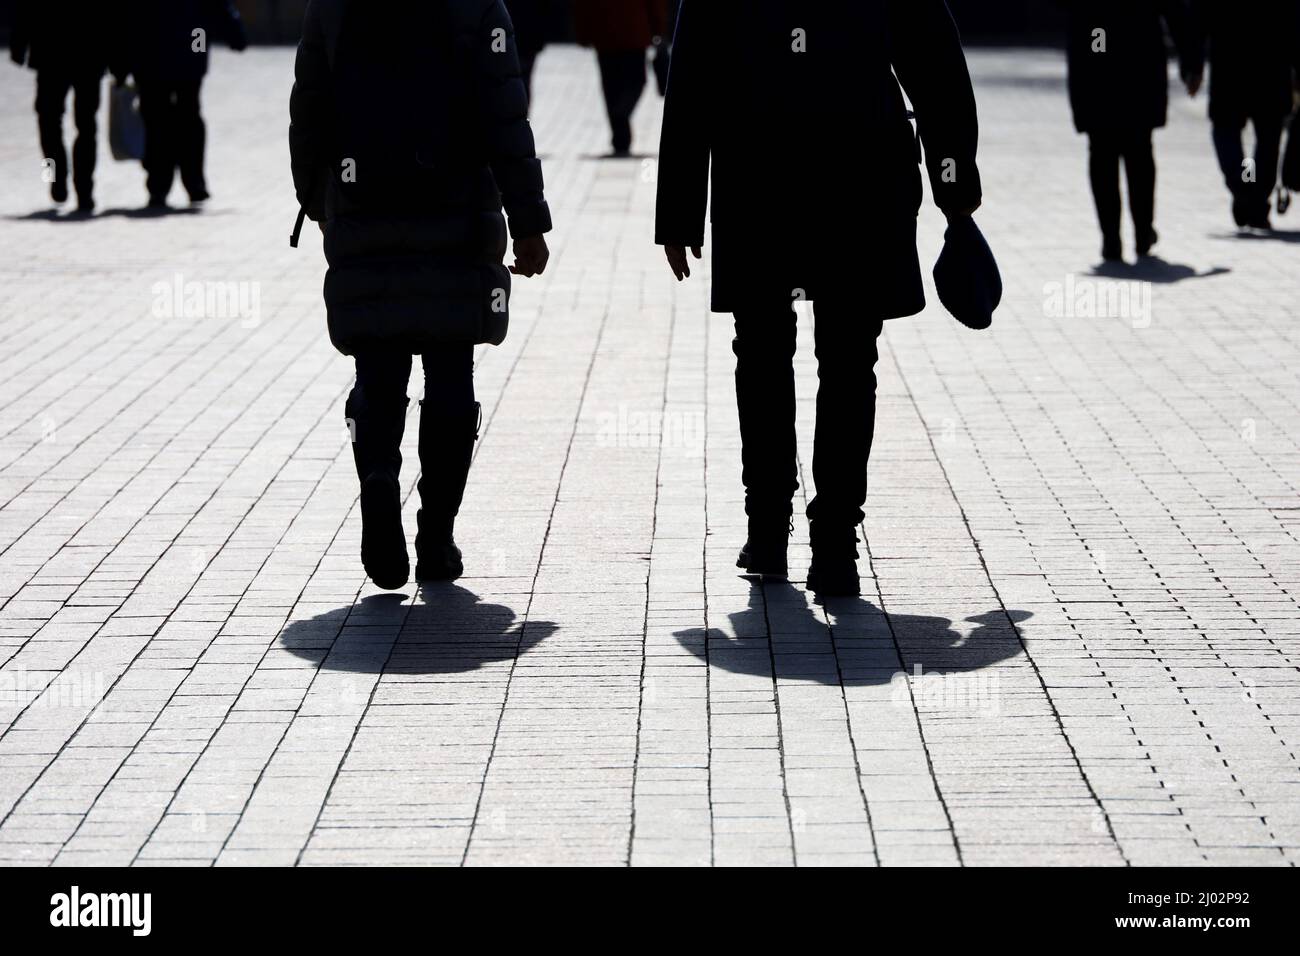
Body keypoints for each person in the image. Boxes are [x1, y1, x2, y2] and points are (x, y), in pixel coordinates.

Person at [656, 0, 984, 598]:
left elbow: (694, 71)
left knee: (762, 352)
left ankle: (770, 530)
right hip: (858, 171)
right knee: (848, 358)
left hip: (758, 171)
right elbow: (936, 66)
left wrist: (680, 210)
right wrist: (954, 187)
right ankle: (833, 540)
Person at [290, 0, 552, 590]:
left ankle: (379, 473)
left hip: (364, 210)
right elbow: (504, 117)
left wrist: (315, 197)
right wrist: (529, 219)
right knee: (452, 379)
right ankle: (437, 534)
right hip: (454, 215)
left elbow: (309, 104)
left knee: (379, 373)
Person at [1066, 1, 1196, 262]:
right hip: (1139, 64)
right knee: (1139, 152)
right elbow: (1176, 11)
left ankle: (1111, 237)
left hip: (1096, 66)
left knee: (1102, 152)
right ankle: (1142, 231)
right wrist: (1191, 59)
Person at [118, 0, 248, 208]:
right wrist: (235, 33)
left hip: (152, 54)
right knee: (188, 118)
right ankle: (193, 181)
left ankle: (160, 184)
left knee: (157, 122)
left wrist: (120, 62)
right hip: (188, 51)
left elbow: (125, 13)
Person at [1183, 0, 1300, 230]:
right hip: (1270, 62)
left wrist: (1193, 66)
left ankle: (1244, 187)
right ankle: (1253, 194)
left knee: (1228, 131)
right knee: (1267, 136)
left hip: (1230, 63)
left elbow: (1197, 19)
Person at [9, 0, 125, 214]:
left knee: (49, 121)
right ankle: (84, 190)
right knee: (84, 125)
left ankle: (56, 179)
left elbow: (27, 9)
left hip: (52, 53)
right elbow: (114, 15)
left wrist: (18, 43)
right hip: (88, 54)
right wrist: (119, 61)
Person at [572, 0, 670, 156]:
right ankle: (620, 123)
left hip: (608, 34)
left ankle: (620, 131)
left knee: (612, 86)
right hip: (633, 33)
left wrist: (583, 33)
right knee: (633, 82)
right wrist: (658, 28)